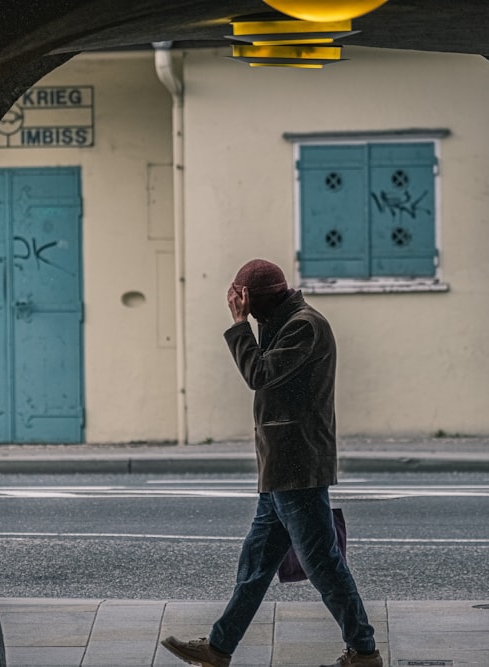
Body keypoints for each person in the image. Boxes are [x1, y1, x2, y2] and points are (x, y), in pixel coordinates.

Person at [160, 259, 381, 667]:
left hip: (297, 469)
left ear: (262, 301)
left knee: (324, 566)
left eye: (248, 301)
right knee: (255, 566)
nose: (244, 308)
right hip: (281, 470)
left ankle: (364, 652)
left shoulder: (304, 326)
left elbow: (258, 372)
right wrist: (252, 318)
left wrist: (239, 322)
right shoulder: (285, 321)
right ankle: (219, 648)